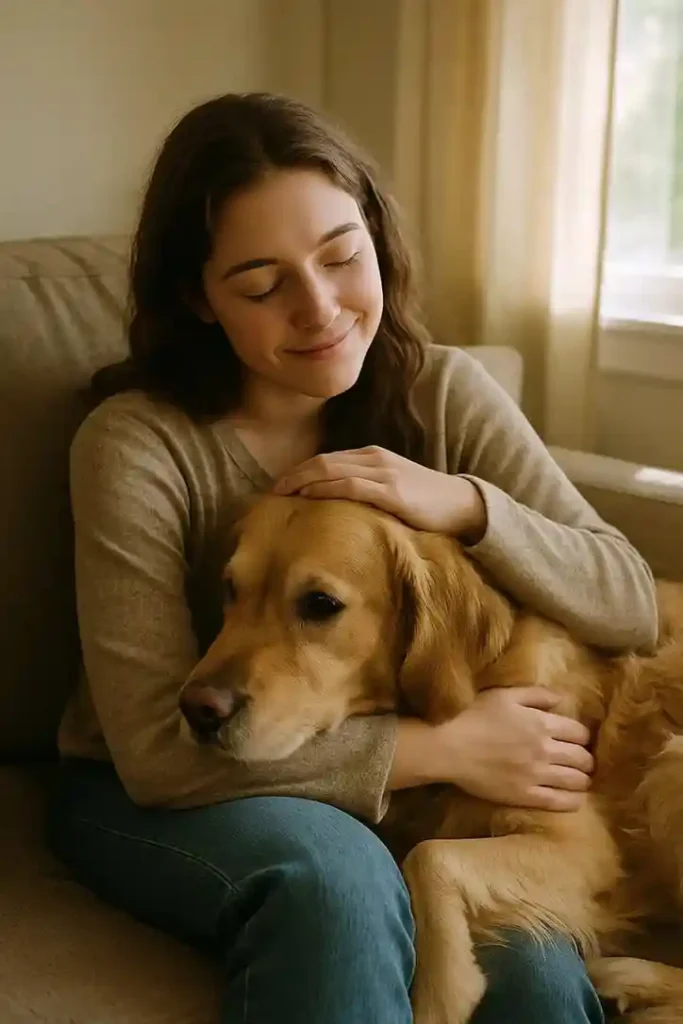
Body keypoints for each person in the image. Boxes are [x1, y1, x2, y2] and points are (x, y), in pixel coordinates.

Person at [46, 92, 658, 1024]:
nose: (320, 308)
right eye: (261, 285)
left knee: (532, 970)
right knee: (335, 880)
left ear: (376, 240)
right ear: (196, 298)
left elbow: (626, 597)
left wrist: (460, 501)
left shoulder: (445, 392)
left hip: (359, 769)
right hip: (145, 786)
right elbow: (160, 754)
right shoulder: (134, 446)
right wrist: (444, 747)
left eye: (340, 257)